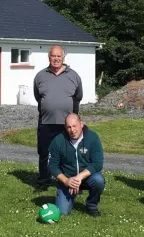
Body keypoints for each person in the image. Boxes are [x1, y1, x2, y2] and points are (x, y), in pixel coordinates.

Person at [33, 45, 83, 190]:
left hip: (67, 124)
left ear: (63, 58)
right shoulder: (40, 76)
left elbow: (78, 97)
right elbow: (38, 97)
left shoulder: (73, 76)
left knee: (70, 153)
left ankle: (71, 182)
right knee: (44, 153)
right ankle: (44, 181)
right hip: (46, 122)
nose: (56, 59)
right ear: (49, 58)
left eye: (58, 56)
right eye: (53, 56)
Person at [48, 113, 105, 217]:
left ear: (81, 124)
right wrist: (66, 181)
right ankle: (70, 197)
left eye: (74, 126)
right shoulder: (58, 141)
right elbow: (52, 166)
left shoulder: (93, 138)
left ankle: (91, 205)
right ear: (65, 127)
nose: (72, 130)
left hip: (87, 178)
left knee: (99, 180)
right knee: (62, 212)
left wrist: (79, 177)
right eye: (69, 127)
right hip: (68, 180)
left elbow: (98, 163)